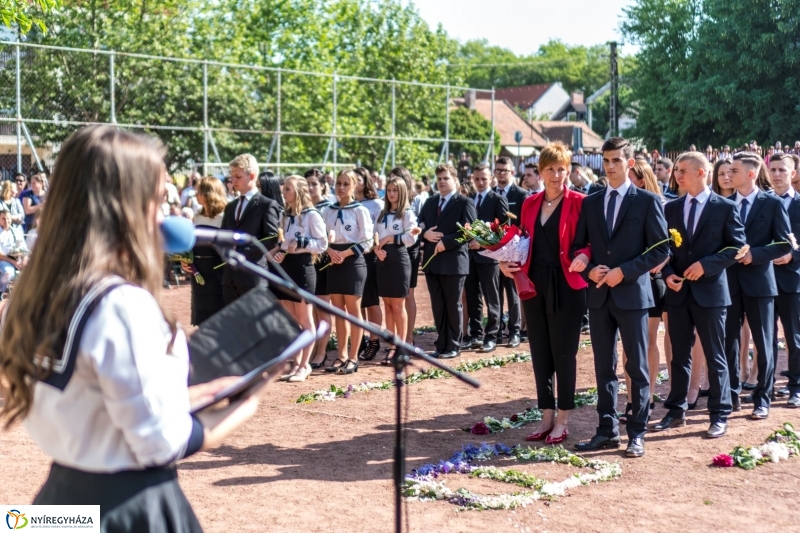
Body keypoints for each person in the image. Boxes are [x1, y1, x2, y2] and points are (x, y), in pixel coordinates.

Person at [0, 125, 271, 530]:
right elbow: (159, 443)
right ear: (124, 203)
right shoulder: (121, 304)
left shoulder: (29, 296)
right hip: (128, 509)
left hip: (56, 506)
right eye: (159, 199)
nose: (165, 215)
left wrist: (191, 396)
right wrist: (242, 408)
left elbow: (95, 402)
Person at [571, 137, 669, 458]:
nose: (610, 166)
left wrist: (623, 271)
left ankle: (637, 433)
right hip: (598, 296)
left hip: (632, 295)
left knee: (637, 367)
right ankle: (606, 430)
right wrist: (589, 270)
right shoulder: (591, 201)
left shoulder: (647, 201)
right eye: (606, 160)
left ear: (628, 163)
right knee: (603, 366)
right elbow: (578, 246)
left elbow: (660, 249)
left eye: (616, 160)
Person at [501, 141, 590, 445]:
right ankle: (546, 416)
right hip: (533, 285)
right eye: (549, 169)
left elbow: (592, 241)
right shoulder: (529, 203)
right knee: (540, 353)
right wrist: (507, 262)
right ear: (540, 172)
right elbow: (522, 243)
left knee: (564, 354)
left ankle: (563, 420)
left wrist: (586, 256)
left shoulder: (580, 201)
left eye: (561, 168)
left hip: (568, 285)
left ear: (569, 170)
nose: (555, 174)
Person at [652, 151, 745, 438]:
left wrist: (706, 265)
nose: (677, 174)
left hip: (712, 293)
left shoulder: (725, 207)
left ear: (701, 172)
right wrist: (667, 275)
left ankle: (719, 413)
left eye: (682, 170)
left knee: (716, 355)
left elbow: (737, 247)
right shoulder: (671, 209)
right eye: (676, 170)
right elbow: (663, 250)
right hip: (679, 293)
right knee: (678, 355)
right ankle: (676, 409)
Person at [724, 151, 791, 418]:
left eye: (734, 171)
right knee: (728, 342)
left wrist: (756, 255)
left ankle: (763, 397)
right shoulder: (724, 203)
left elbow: (784, 243)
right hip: (728, 284)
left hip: (761, 284)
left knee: (764, 342)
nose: (728, 175)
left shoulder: (772, 203)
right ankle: (730, 396)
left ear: (751, 174)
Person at [617, 161, 667, 423]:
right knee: (627, 344)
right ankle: (630, 399)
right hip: (626, 283)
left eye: (633, 179)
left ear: (643, 180)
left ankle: (647, 397)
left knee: (647, 341)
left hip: (651, 280)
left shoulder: (656, 203)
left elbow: (665, 247)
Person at [273, 176, 328, 383]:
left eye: (287, 189)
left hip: (304, 268)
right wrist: (281, 251)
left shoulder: (311, 214)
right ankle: (296, 363)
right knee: (292, 320)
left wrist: (303, 242)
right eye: (284, 188)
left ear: (298, 191)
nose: (284, 192)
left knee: (305, 320)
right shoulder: (285, 215)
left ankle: (305, 365)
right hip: (287, 267)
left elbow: (322, 244)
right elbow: (285, 243)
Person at [419, 164, 476, 358]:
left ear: (455, 180)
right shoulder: (430, 202)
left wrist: (447, 242)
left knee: (453, 304)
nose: (442, 182)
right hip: (432, 262)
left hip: (453, 262)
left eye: (446, 178)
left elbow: (469, 233)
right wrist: (424, 233)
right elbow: (419, 226)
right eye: (439, 178)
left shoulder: (464, 202)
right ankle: (441, 344)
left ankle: (453, 345)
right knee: (438, 305)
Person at [323, 169, 373, 374]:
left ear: (354, 186)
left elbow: (368, 240)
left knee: (353, 311)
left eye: (346, 184)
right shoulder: (328, 210)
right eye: (338, 184)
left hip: (353, 262)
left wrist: (344, 254)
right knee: (338, 311)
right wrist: (329, 250)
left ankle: (353, 358)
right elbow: (321, 237)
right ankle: (341, 355)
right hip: (333, 261)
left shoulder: (360, 210)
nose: (341, 188)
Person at [220, 154, 281, 304]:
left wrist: (241, 253)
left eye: (238, 176)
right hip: (229, 278)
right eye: (232, 176)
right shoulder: (230, 206)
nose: (233, 181)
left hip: (253, 275)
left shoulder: (267, 204)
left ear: (252, 176)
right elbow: (223, 235)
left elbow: (271, 238)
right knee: (233, 324)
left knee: (254, 325)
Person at [766, 154, 800, 407]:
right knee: (764, 336)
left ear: (793, 173)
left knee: (794, 336)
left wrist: (792, 255)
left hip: (792, 280)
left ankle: (795, 386)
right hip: (762, 280)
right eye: (773, 169)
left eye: (782, 170)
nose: (777, 174)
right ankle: (764, 387)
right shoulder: (762, 202)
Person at [462, 164, 508, 353]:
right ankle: (475, 335)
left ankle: (492, 335)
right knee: (473, 298)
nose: (480, 182)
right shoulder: (469, 200)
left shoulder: (498, 199)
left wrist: (482, 243)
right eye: (477, 179)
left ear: (491, 179)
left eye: (484, 179)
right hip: (470, 257)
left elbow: (505, 230)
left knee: (492, 298)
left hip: (489, 258)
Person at [374, 176, 418, 365]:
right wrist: (377, 249)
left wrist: (390, 238)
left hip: (399, 260)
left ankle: (402, 346)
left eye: (395, 191)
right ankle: (391, 347)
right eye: (389, 190)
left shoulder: (407, 212)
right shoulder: (382, 213)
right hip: (383, 261)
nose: (392, 194)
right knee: (388, 306)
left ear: (402, 193)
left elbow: (411, 237)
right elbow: (376, 237)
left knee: (399, 306)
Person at [493, 156, 528, 347]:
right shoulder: (490, 194)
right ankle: (497, 330)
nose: (500, 173)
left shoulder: (521, 194)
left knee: (513, 294)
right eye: (498, 170)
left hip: (514, 253)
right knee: (494, 294)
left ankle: (514, 331)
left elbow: (524, 224)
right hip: (493, 254)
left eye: (504, 170)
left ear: (512, 172)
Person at [389, 166, 423, 345]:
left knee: (407, 294)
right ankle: (396, 338)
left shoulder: (416, 201)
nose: (393, 185)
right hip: (390, 251)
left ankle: (408, 337)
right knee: (391, 297)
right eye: (391, 180)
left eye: (397, 179)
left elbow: (421, 225)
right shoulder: (387, 201)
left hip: (409, 250)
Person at [186, 177, 227, 325]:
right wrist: (186, 261)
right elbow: (191, 245)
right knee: (202, 319)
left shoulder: (224, 216)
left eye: (199, 191)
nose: (196, 195)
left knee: (218, 316)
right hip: (198, 272)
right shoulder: (196, 217)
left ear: (208, 193)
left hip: (218, 271)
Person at [354, 167, 385, 361]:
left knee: (371, 300)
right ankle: (363, 337)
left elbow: (380, 230)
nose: (354, 183)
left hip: (370, 255)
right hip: (353, 256)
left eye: (357, 179)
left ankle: (375, 340)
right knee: (359, 302)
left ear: (365, 182)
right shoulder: (346, 204)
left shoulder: (376, 204)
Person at [305, 168, 334, 369]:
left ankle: (322, 352)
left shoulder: (328, 207)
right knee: (312, 310)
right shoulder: (304, 208)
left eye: (314, 183)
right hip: (307, 262)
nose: (310, 187)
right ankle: (316, 348)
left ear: (323, 185)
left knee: (323, 309)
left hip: (323, 262)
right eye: (307, 184)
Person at [0, 209, 27, 293]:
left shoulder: (17, 231)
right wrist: (13, 262)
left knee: (35, 265)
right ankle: (1, 290)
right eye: (3, 219)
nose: (6, 221)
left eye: (8, 218)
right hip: (5, 260)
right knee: (8, 274)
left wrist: (25, 259)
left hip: (19, 259)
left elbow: (24, 249)